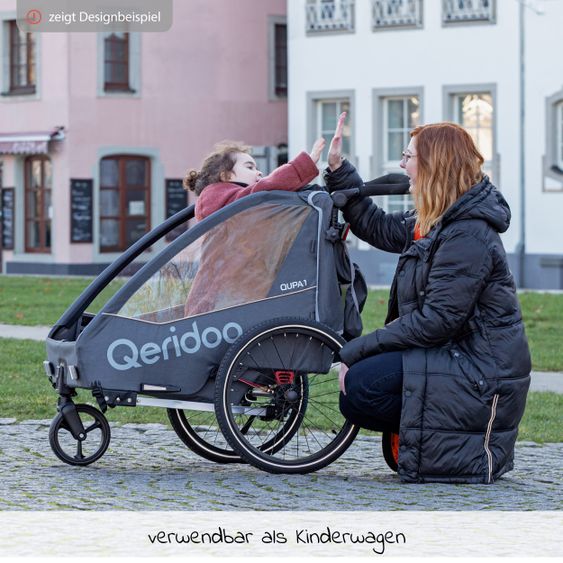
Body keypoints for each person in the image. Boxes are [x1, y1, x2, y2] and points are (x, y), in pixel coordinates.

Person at [325, 113, 531, 484]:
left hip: (480, 374)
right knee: (357, 388)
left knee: (361, 388)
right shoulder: (437, 220)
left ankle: (446, 440)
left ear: (434, 165)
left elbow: (437, 321)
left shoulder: (468, 234)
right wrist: (339, 171)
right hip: (452, 357)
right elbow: (379, 228)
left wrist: (358, 350)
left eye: (408, 156)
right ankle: (429, 435)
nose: (402, 165)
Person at [184, 139, 325, 221]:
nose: (259, 172)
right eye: (250, 167)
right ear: (227, 176)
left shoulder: (224, 199)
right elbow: (267, 186)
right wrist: (306, 163)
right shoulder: (219, 197)